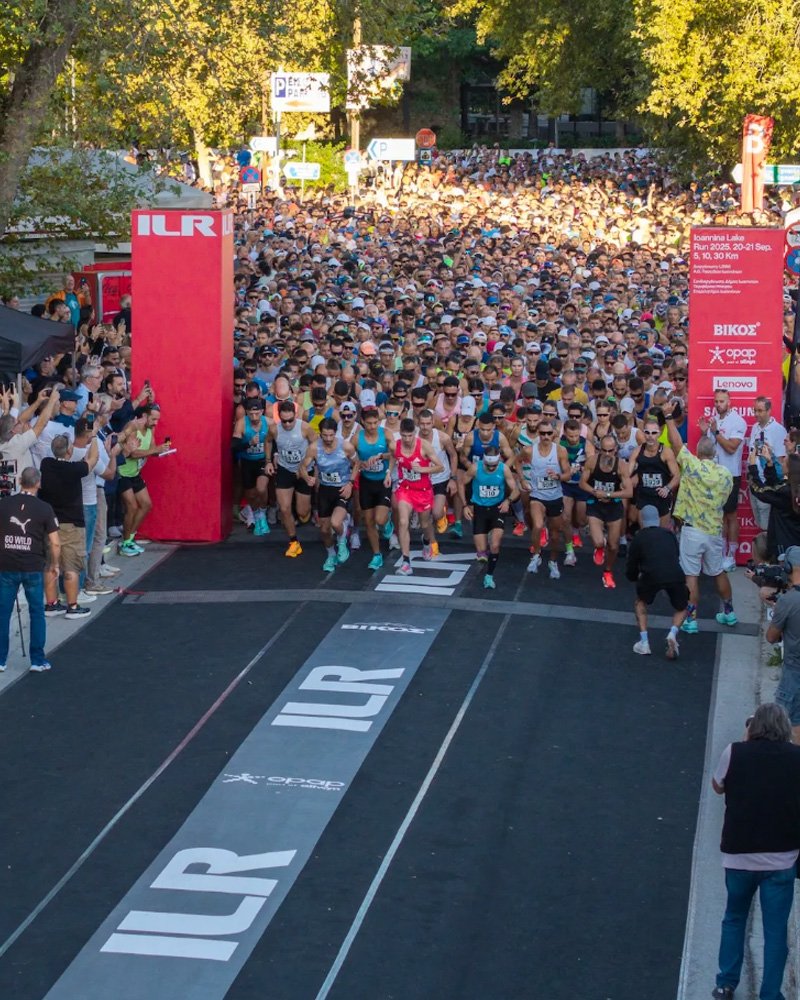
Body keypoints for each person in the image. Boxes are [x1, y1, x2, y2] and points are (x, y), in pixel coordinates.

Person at [710, 703, 800, 1000]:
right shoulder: (796, 758)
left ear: (753, 728)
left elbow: (718, 786)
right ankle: (770, 994)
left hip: (739, 857)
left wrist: (742, 741)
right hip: (782, 859)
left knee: (734, 917)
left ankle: (725, 983)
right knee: (775, 933)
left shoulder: (734, 752)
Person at [665, 400, 738, 633]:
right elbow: (726, 500)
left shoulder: (692, 466)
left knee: (691, 575)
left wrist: (668, 417)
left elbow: (676, 445)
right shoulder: (726, 474)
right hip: (714, 530)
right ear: (715, 452)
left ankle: (691, 619)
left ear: (697, 452)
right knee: (718, 571)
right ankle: (729, 612)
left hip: (692, 530)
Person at [0, 467, 61, 672]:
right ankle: (37, 659)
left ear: (19, 481)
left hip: (6, 565)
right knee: (36, 612)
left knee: (3, 613)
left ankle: (0, 659)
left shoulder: (4, 504)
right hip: (33, 566)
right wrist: (55, 564)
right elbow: (55, 542)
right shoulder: (44, 508)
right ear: (38, 483)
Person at [39, 432, 98, 619]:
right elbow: (93, 459)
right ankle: (72, 606)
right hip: (71, 525)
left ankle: (52, 604)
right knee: (71, 566)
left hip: (49, 525)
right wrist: (94, 438)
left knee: (50, 564)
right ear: (70, 451)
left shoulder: (46, 465)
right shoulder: (74, 470)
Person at [625, 504, 688, 658]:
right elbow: (676, 555)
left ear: (642, 519)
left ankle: (644, 642)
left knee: (640, 603)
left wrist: (634, 578)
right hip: (674, 573)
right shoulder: (669, 535)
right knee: (683, 606)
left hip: (651, 574)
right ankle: (673, 633)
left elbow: (631, 565)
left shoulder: (639, 538)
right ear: (658, 519)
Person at [298, 418, 357, 572]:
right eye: (325, 435)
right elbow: (303, 466)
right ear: (321, 434)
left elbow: (358, 464)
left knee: (336, 523)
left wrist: (350, 483)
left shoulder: (345, 446)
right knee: (324, 530)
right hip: (325, 490)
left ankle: (342, 539)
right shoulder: (314, 448)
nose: (329, 439)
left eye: (331, 435)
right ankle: (331, 555)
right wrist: (307, 477)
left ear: (335, 433)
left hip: (342, 490)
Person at [700, 389, 747, 572]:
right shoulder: (714, 420)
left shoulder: (738, 421)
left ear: (729, 402)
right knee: (717, 515)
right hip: (714, 474)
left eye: (721, 401)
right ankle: (719, 553)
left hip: (730, 475)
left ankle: (731, 555)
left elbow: (731, 448)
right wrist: (705, 433)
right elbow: (709, 448)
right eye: (716, 401)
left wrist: (716, 432)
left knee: (730, 515)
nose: (718, 404)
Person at [391, 417, 444, 576]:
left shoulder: (424, 447)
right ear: (400, 434)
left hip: (423, 491)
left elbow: (440, 467)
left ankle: (427, 542)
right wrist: (388, 473)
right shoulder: (396, 445)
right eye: (404, 436)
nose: (407, 439)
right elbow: (393, 457)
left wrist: (422, 470)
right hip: (405, 489)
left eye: (410, 436)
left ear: (415, 433)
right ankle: (406, 561)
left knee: (425, 523)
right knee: (402, 521)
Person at [461, 444, 519, 589]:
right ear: (484, 461)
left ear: (498, 461)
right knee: (482, 553)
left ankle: (489, 576)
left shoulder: (503, 469)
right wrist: (465, 505)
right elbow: (461, 483)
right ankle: (484, 548)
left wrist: (508, 500)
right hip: (479, 509)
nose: (492, 468)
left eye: (494, 465)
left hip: (497, 508)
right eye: (489, 465)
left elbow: (516, 490)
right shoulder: (475, 468)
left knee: (495, 544)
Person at [518, 418, 571, 578]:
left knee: (555, 533)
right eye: (542, 433)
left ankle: (553, 561)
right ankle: (536, 555)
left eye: (549, 433)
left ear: (554, 434)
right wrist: (522, 479)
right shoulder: (529, 450)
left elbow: (568, 474)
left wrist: (559, 476)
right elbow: (517, 462)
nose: (546, 436)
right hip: (537, 495)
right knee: (538, 525)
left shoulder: (560, 451)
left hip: (555, 496)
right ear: (538, 434)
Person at [579, 434, 633, 589]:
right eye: (604, 450)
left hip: (613, 506)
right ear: (599, 449)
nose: (607, 454)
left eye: (611, 451)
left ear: (615, 450)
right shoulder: (592, 461)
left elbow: (629, 492)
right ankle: (599, 548)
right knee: (598, 541)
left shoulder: (621, 465)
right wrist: (595, 492)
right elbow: (582, 483)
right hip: (595, 505)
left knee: (614, 545)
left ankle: (608, 571)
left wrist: (609, 495)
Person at [265, 400, 317, 557]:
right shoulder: (274, 429)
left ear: (295, 416)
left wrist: (308, 465)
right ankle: (294, 542)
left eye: (290, 420)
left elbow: (316, 445)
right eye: (284, 420)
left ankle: (305, 511)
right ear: (279, 417)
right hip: (285, 469)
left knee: (302, 512)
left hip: (304, 471)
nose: (287, 424)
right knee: (284, 508)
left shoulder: (305, 428)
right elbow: (267, 441)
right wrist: (268, 460)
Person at [116, 404, 169, 555]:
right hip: (122, 473)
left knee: (146, 504)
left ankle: (130, 538)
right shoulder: (132, 427)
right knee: (131, 507)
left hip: (135, 473)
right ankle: (125, 543)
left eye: (158, 420)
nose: (156, 423)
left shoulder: (150, 429)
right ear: (144, 416)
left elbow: (150, 450)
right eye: (153, 419)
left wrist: (162, 451)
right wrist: (155, 450)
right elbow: (131, 453)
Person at [766, 546, 800, 744]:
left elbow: (771, 637)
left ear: (788, 567)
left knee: (781, 723)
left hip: (794, 671)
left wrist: (779, 611)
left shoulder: (788, 601)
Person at [355, 406, 393, 571]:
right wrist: (359, 463)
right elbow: (349, 455)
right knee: (369, 521)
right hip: (367, 482)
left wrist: (380, 456)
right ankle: (377, 555)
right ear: (363, 422)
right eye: (369, 423)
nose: (372, 426)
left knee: (379, 519)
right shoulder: (357, 438)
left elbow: (396, 454)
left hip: (383, 481)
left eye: (375, 423)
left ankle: (387, 522)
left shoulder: (385, 434)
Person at [748, 398, 788, 531]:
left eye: (760, 411)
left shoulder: (778, 430)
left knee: (766, 525)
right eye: (755, 410)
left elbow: (782, 461)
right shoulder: (754, 427)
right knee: (759, 522)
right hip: (754, 481)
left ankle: (768, 551)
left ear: (769, 411)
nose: (756, 414)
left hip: (767, 483)